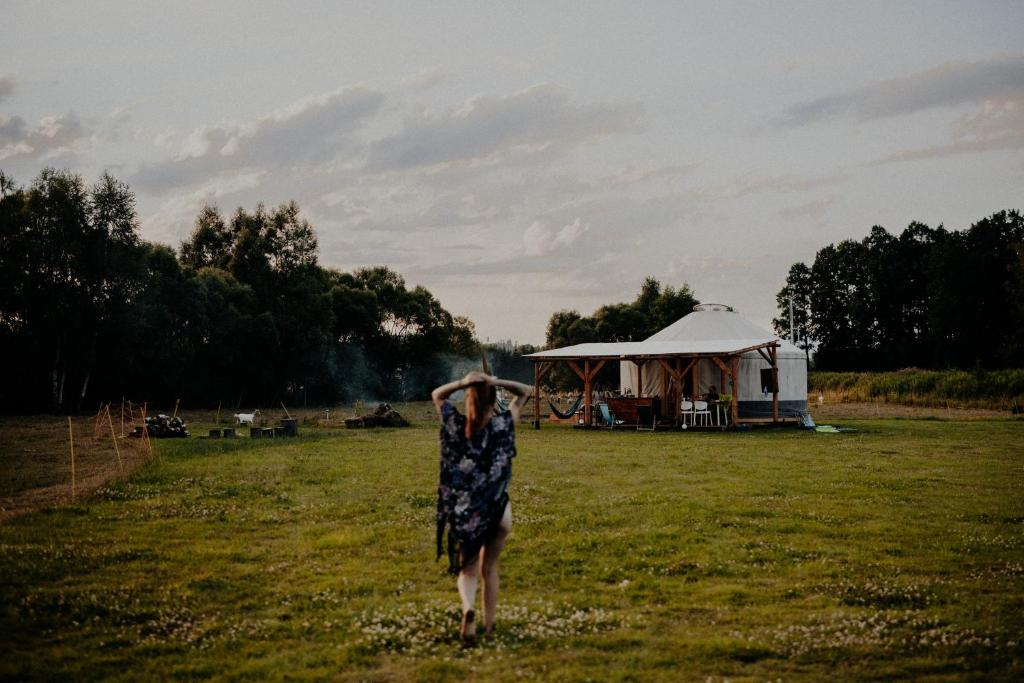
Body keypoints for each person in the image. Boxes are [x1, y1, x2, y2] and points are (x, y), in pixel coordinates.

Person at [431, 371, 532, 646]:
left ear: (468, 399)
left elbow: (437, 395)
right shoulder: (503, 424)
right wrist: (495, 381)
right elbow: (525, 390)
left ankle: (468, 610)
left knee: (469, 570)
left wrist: (466, 383)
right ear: (492, 399)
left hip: (470, 512)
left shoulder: (456, 425)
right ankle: (489, 627)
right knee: (491, 569)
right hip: (500, 510)